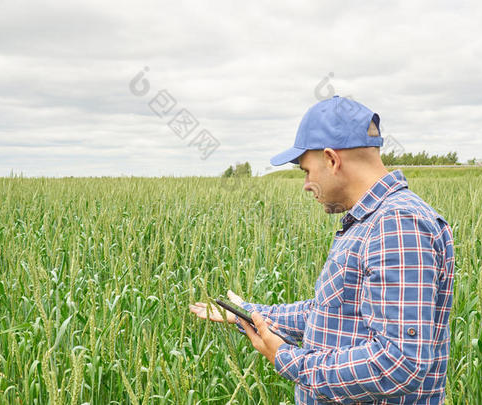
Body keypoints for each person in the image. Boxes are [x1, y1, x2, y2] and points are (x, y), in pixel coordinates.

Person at [190, 96, 455, 404]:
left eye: (306, 170)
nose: (306, 184)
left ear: (332, 159)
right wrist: (247, 314)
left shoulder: (396, 223)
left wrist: (288, 359)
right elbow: (331, 314)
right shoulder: (372, 220)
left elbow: (399, 363)